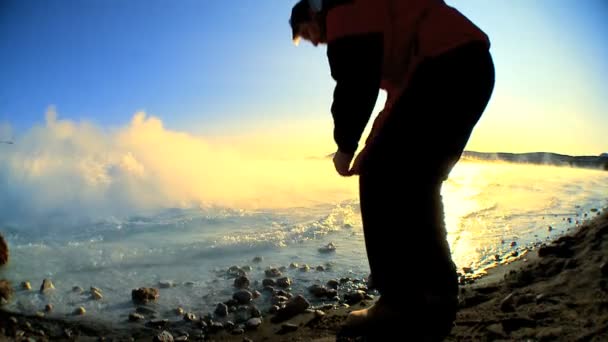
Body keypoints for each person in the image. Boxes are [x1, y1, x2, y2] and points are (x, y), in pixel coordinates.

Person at [289, 0, 495, 340]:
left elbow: (356, 79)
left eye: (308, 33)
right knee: (417, 182)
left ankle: (398, 300)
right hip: (468, 68)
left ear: (313, 13)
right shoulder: (395, 29)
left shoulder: (342, 5)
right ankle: (436, 298)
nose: (314, 42)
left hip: (449, 66)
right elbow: (397, 99)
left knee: (386, 178)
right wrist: (366, 153)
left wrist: (345, 146)